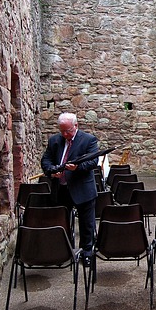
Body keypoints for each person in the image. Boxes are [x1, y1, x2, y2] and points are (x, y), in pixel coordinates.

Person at [41, 112, 99, 266]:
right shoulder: (54, 141)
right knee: (62, 222)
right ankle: (65, 252)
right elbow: (45, 160)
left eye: (68, 131)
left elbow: (93, 161)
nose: (65, 134)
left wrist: (77, 168)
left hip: (82, 189)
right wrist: (52, 170)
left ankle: (87, 253)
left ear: (76, 126)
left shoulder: (88, 140)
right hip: (62, 189)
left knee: (87, 225)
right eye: (62, 131)